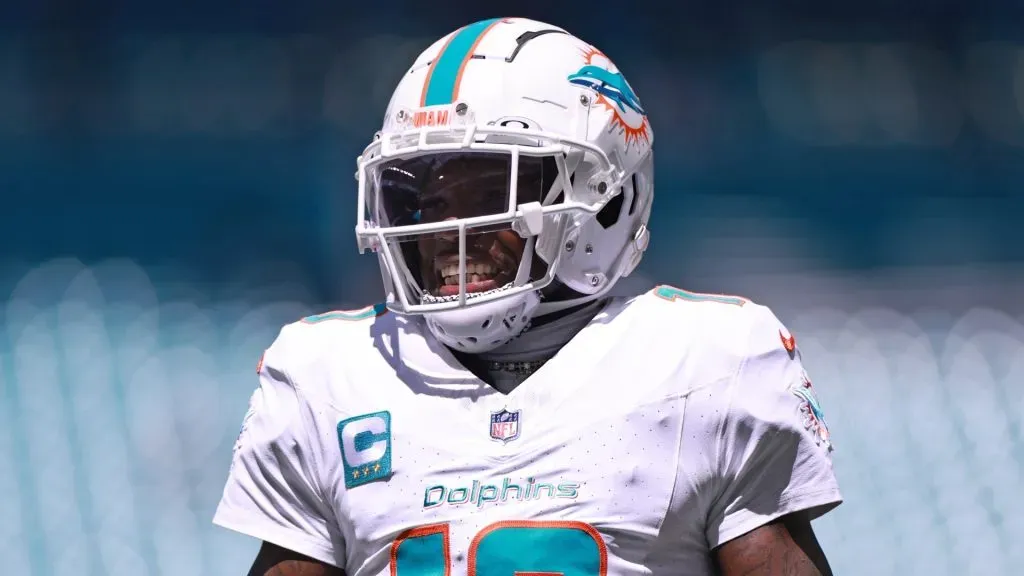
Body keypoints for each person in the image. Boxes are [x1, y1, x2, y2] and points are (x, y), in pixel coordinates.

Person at [213, 17, 842, 576]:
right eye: (427, 201)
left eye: (491, 193)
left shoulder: (708, 366)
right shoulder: (329, 376)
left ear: (605, 200)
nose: (445, 233)